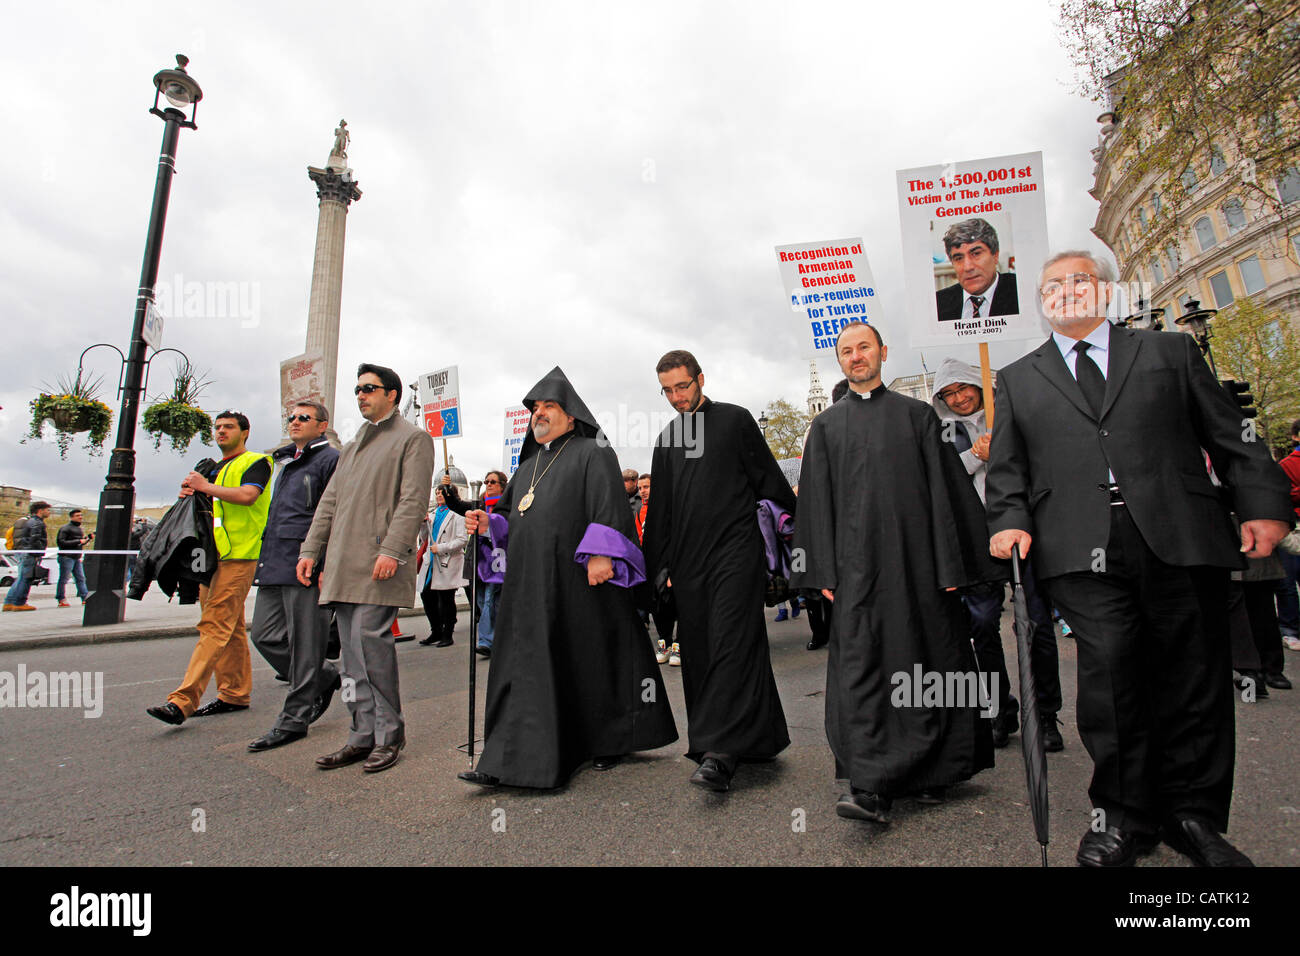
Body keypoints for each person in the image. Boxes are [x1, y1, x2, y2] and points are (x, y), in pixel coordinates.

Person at [986, 250, 1293, 867]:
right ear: (1040, 301)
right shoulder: (1018, 378)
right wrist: (1010, 521)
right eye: (1053, 286)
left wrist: (1262, 503)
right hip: (1078, 546)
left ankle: (1194, 817)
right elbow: (1009, 469)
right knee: (1112, 676)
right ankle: (1124, 818)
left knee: (1193, 679)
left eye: (1080, 280)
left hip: (1179, 535)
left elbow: (1231, 435)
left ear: (1106, 290)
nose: (1067, 291)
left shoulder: (1170, 352)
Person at [791, 323, 997, 824]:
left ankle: (935, 771)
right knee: (862, 672)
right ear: (840, 361)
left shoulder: (918, 416)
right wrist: (820, 568)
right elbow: (814, 503)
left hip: (919, 567)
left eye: (863, 347)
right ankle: (870, 784)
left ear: (883, 351)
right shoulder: (826, 427)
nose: (856, 356)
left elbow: (947, 493)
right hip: (856, 574)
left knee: (928, 663)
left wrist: (953, 564)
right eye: (846, 351)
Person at [457, 367, 677, 788]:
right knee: (525, 666)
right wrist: (486, 523)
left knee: (588, 659)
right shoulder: (526, 467)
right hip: (528, 588)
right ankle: (507, 755)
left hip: (578, 581)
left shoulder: (592, 451)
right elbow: (508, 519)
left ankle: (604, 740)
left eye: (548, 407)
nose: (538, 414)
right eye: (535, 408)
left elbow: (608, 505)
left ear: (571, 415)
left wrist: (601, 553)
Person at [642, 349, 796, 792]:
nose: (676, 397)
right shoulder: (667, 439)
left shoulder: (735, 420)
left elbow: (770, 483)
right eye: (668, 390)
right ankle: (759, 737)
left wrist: (803, 542)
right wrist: (656, 573)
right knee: (705, 653)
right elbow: (661, 516)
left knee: (733, 644)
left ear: (701, 379)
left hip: (736, 556)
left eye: (683, 386)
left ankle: (719, 752)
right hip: (689, 568)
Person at [298, 364, 435, 774]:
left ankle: (389, 734)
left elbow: (413, 500)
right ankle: (360, 735)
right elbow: (329, 503)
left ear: (392, 394)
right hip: (343, 562)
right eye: (357, 390)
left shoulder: (413, 439)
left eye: (369, 389)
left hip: (380, 560)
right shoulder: (354, 445)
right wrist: (311, 550)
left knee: (371, 647)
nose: (360, 395)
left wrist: (393, 550)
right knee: (350, 659)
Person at [930, 358, 1063, 751]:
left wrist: (1002, 450)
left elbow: (1044, 462)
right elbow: (940, 479)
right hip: (975, 542)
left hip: (1022, 532)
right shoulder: (942, 433)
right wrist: (975, 455)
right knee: (982, 627)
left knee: (1036, 624)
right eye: (949, 394)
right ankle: (998, 710)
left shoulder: (1012, 415)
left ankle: (1046, 715)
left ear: (977, 384)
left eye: (963, 388)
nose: (958, 398)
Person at [146, 412, 272, 724]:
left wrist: (206, 486)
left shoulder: (257, 461)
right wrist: (190, 493)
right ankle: (234, 693)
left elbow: (247, 496)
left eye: (228, 427)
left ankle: (182, 701)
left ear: (245, 432)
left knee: (215, 624)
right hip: (209, 557)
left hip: (239, 555)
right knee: (228, 627)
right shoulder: (213, 468)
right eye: (217, 427)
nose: (220, 432)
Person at [246, 401, 342, 752]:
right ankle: (325, 674)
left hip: (306, 562)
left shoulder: (330, 460)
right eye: (292, 417)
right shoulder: (284, 462)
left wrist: (323, 561)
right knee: (265, 635)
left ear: (322, 426)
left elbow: (334, 514)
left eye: (305, 418)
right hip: (274, 562)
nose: (296, 422)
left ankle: (293, 720)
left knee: (305, 648)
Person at [440, 470, 507, 656]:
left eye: (493, 482)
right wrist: (447, 489)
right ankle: (496, 637)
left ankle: (487, 641)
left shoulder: (507, 507)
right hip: (478, 562)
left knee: (489, 601)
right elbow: (456, 504)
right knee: (481, 601)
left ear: (502, 485)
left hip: (497, 563)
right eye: (486, 482)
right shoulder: (478, 506)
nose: (488, 485)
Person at [934, 218, 1019, 322]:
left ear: (995, 255)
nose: (968, 267)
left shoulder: (1020, 293)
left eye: (976, 254)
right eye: (959, 258)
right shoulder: (938, 303)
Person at [416, 486, 467, 647]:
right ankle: (436, 630)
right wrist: (423, 524)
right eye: (437, 493)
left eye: (442, 493)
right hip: (431, 562)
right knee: (426, 596)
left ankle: (447, 634)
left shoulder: (457, 515)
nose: (439, 495)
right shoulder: (432, 514)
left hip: (447, 562)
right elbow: (424, 538)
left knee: (446, 599)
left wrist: (442, 548)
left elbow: (462, 540)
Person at [635, 473, 678, 665]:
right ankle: (665, 643)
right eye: (641, 488)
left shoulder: (670, 507)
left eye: (647, 487)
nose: (643, 491)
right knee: (657, 608)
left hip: (669, 565)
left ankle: (679, 645)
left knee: (676, 604)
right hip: (650, 567)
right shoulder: (639, 513)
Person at [1276, 420, 1300, 651]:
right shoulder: (1286, 464)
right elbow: (1285, 495)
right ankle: (1290, 630)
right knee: (1287, 584)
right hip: (1292, 528)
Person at [3, 501, 51, 612]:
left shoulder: (28, 521)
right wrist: (38, 552)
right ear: (40, 510)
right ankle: (19, 603)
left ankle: (9, 602)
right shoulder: (37, 523)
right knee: (26, 579)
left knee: (20, 578)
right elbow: (35, 539)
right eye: (47, 510)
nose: (49, 512)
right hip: (30, 553)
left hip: (22, 551)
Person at [55, 508, 92, 607]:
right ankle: (61, 598)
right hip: (66, 557)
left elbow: (79, 543)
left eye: (81, 515)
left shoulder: (79, 529)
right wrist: (79, 541)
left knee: (81, 578)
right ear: (72, 517)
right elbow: (61, 542)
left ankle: (85, 597)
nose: (80, 517)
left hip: (76, 557)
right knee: (64, 578)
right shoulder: (65, 528)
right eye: (77, 516)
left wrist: (87, 539)